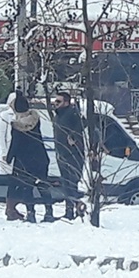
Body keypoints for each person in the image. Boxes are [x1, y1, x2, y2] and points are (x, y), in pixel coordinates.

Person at [0, 90, 54, 223]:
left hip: (24, 161)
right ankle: (49, 212)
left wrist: (9, 157)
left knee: (27, 188)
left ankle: (31, 213)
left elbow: (15, 144)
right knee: (43, 185)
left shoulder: (16, 125)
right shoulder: (36, 119)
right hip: (41, 157)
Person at [52, 91, 85, 220]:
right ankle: (69, 211)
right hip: (61, 153)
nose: (55, 104)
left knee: (72, 184)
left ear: (66, 102)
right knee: (66, 184)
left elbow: (82, 125)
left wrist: (74, 137)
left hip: (73, 155)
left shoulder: (73, 114)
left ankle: (77, 210)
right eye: (55, 101)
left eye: (58, 102)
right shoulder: (58, 116)